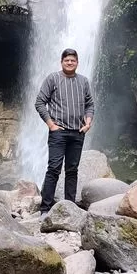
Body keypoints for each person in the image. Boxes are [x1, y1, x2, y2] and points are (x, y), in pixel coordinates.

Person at [35, 48, 95, 214]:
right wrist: (50, 124)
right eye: (67, 60)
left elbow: (90, 104)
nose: (70, 63)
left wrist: (88, 122)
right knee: (54, 168)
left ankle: (70, 209)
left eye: (73, 60)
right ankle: (45, 209)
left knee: (72, 170)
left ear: (77, 63)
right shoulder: (53, 78)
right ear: (61, 62)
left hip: (77, 132)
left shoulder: (83, 81)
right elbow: (40, 102)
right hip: (58, 132)